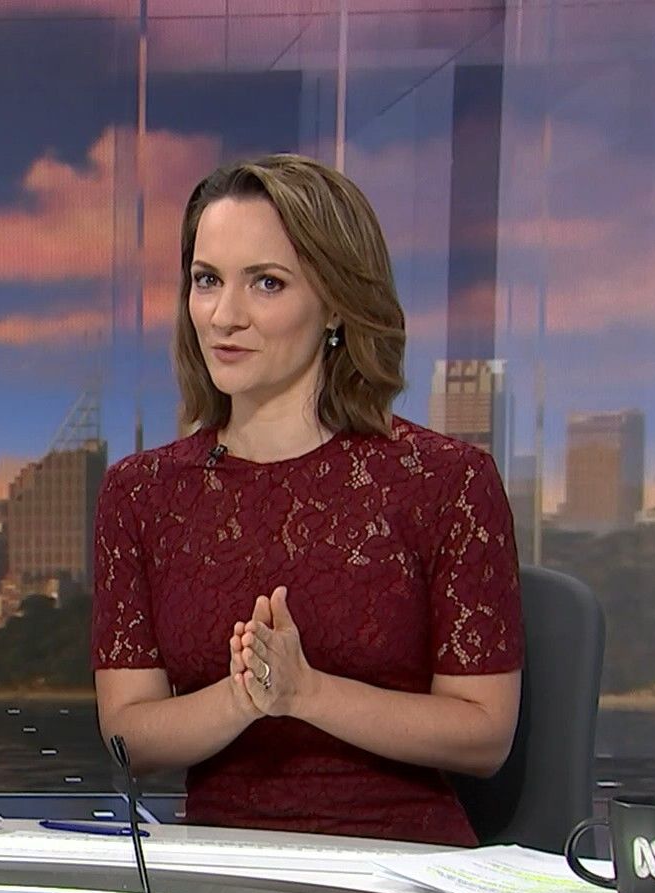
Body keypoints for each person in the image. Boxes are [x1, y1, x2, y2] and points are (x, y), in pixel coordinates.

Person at [92, 153, 522, 846]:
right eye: (207, 280)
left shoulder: (448, 482)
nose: (224, 316)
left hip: (404, 869)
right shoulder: (141, 493)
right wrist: (243, 697)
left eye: (266, 283)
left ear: (336, 304)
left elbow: (484, 733)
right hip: (217, 875)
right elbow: (128, 736)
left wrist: (305, 692)